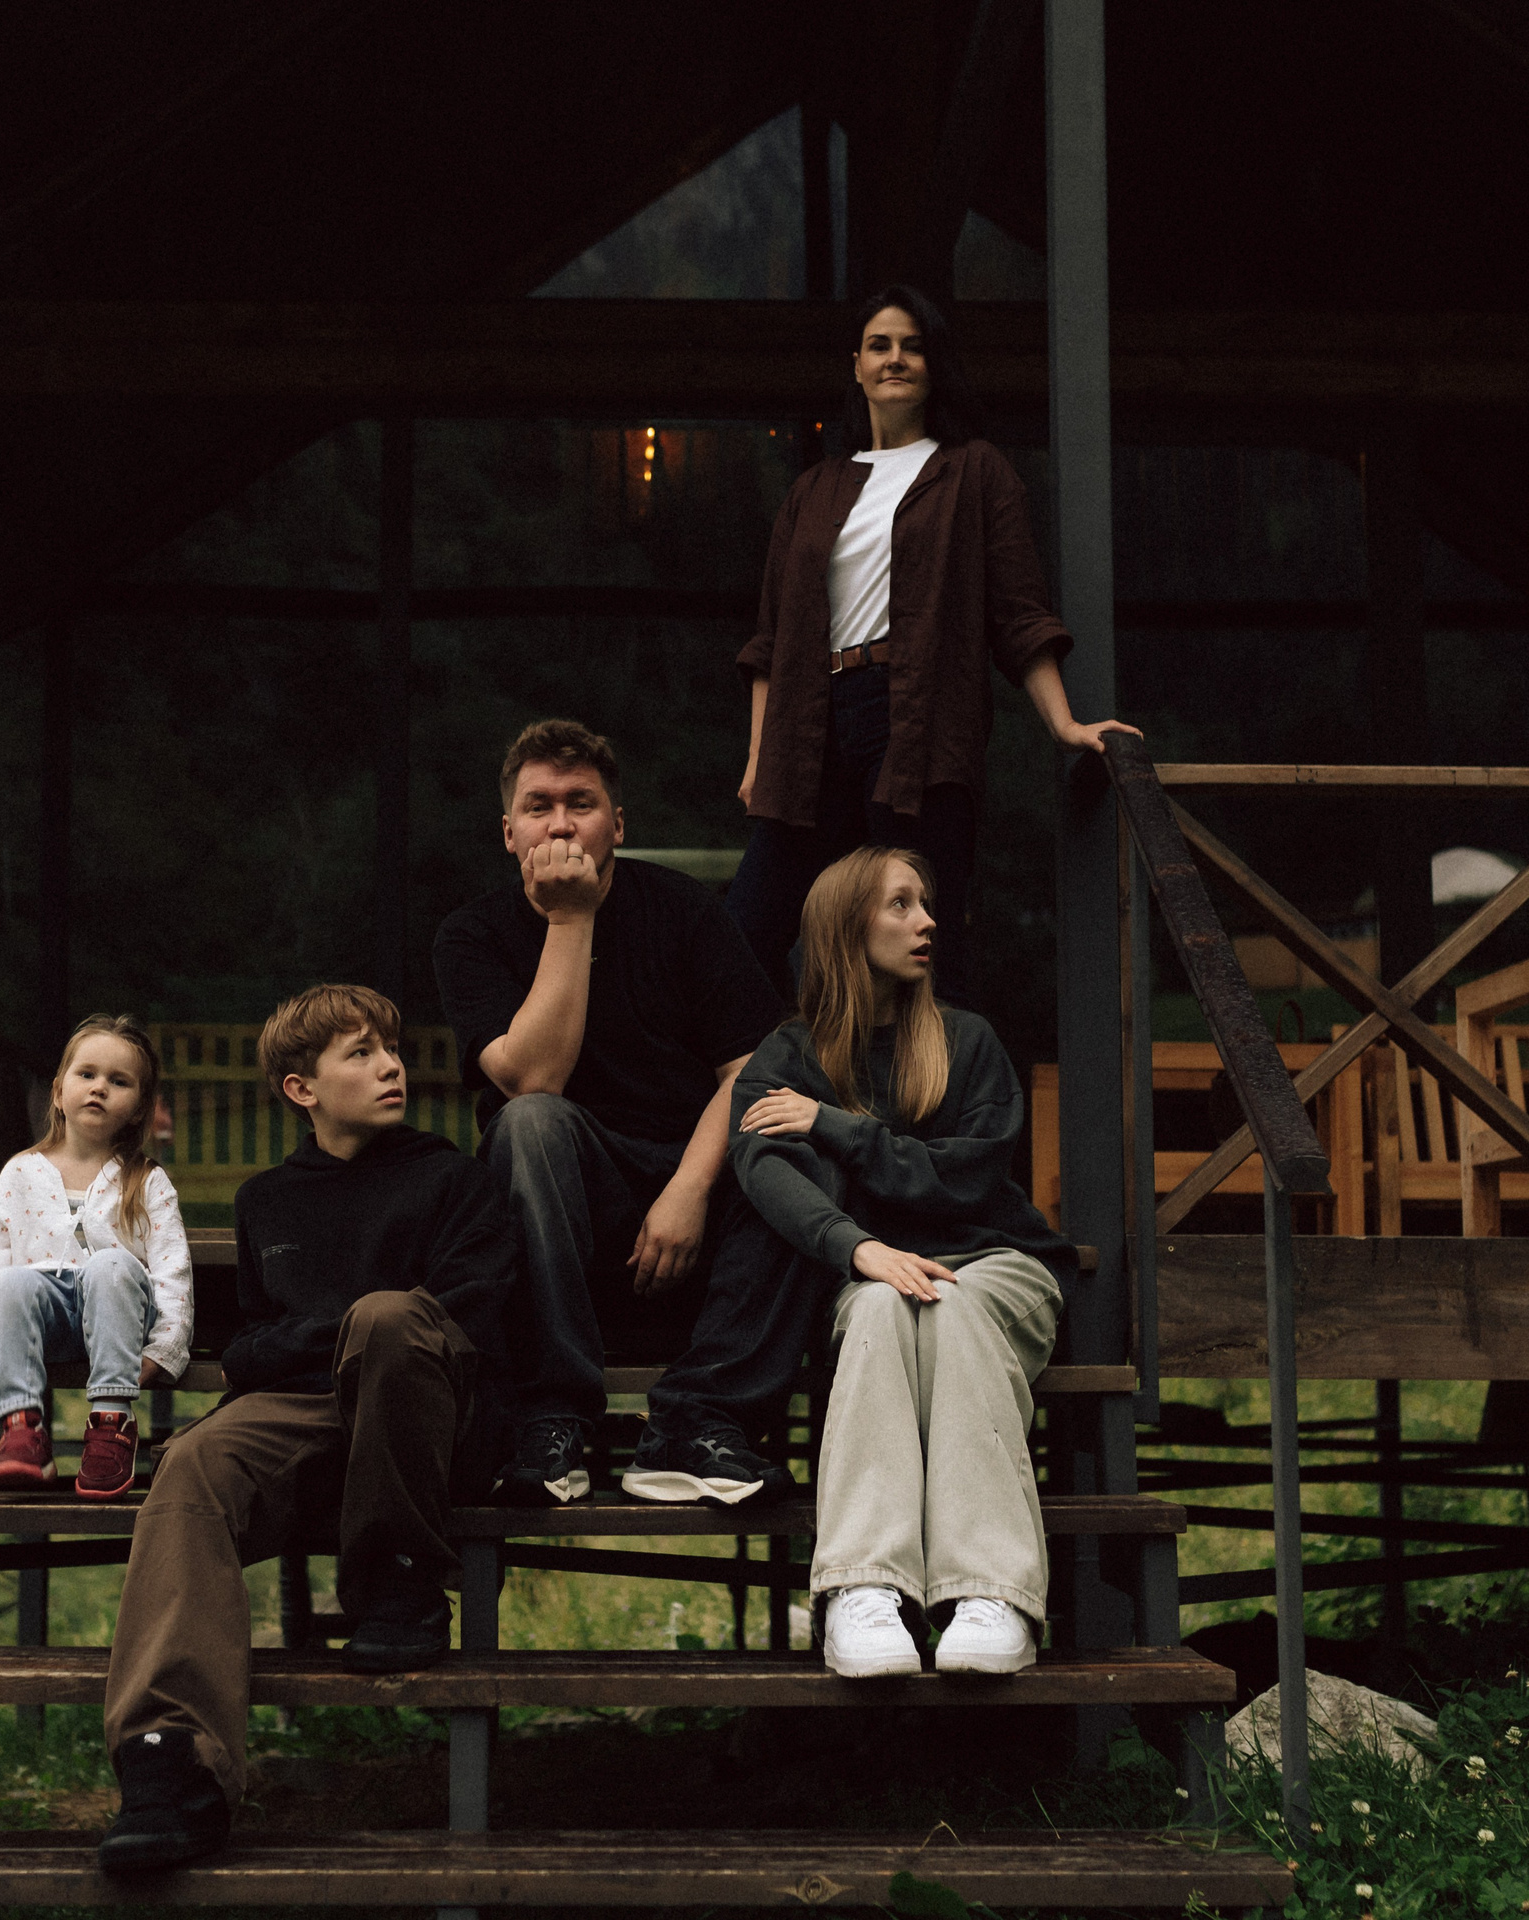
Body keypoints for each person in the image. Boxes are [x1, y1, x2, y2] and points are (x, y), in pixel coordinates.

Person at [98, 984, 518, 1872]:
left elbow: (475, 1316)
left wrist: (340, 1329)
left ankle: (399, 1579)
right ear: (302, 1089)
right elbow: (248, 1349)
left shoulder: (453, 1178)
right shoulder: (268, 1201)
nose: (392, 1066)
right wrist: (324, 1335)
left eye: (390, 1048)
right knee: (194, 1461)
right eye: (361, 1052)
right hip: (303, 1410)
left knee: (389, 1319)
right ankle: (171, 1762)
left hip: (424, 1409)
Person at [434, 717, 827, 1510]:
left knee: (794, 1143)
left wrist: (688, 1189)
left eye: (580, 804)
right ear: (509, 833)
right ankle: (554, 1417)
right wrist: (570, 918)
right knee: (530, 1123)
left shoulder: (684, 912)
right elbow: (534, 1079)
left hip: (694, 1185)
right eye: (539, 806)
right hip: (563, 1200)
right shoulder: (472, 935)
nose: (560, 825)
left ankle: (699, 1418)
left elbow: (749, 1071)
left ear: (617, 825)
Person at [726, 282, 1139, 1004]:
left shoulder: (974, 470)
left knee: (923, 938)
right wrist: (761, 756)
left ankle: (945, 1079)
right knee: (745, 931)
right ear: (857, 366)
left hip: (916, 720)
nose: (895, 358)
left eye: (912, 346)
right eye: (880, 345)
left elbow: (1019, 614)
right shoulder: (814, 490)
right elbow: (771, 640)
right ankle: (786, 1066)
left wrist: (1064, 724)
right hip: (809, 727)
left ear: (934, 365)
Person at [730, 846, 1078, 1677]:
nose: (927, 922)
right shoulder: (787, 1058)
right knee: (887, 1305)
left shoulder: (967, 1041)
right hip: (874, 1279)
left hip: (999, 1265)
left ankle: (990, 1595)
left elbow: (965, 1179)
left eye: (925, 903)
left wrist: (835, 1126)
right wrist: (858, 1248)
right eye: (900, 905)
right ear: (846, 927)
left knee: (948, 1300)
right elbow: (763, 1171)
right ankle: (865, 1589)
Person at [0, 1014, 191, 1501]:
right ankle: (21, 1429)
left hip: (121, 1320)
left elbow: (172, 1273)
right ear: (59, 1092)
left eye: (118, 1081)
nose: (100, 1087)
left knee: (111, 1264)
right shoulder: (20, 1174)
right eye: (87, 1074)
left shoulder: (147, 1181)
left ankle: (111, 1422)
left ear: (138, 1109)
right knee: (8, 1282)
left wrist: (162, 1350)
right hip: (46, 1325)